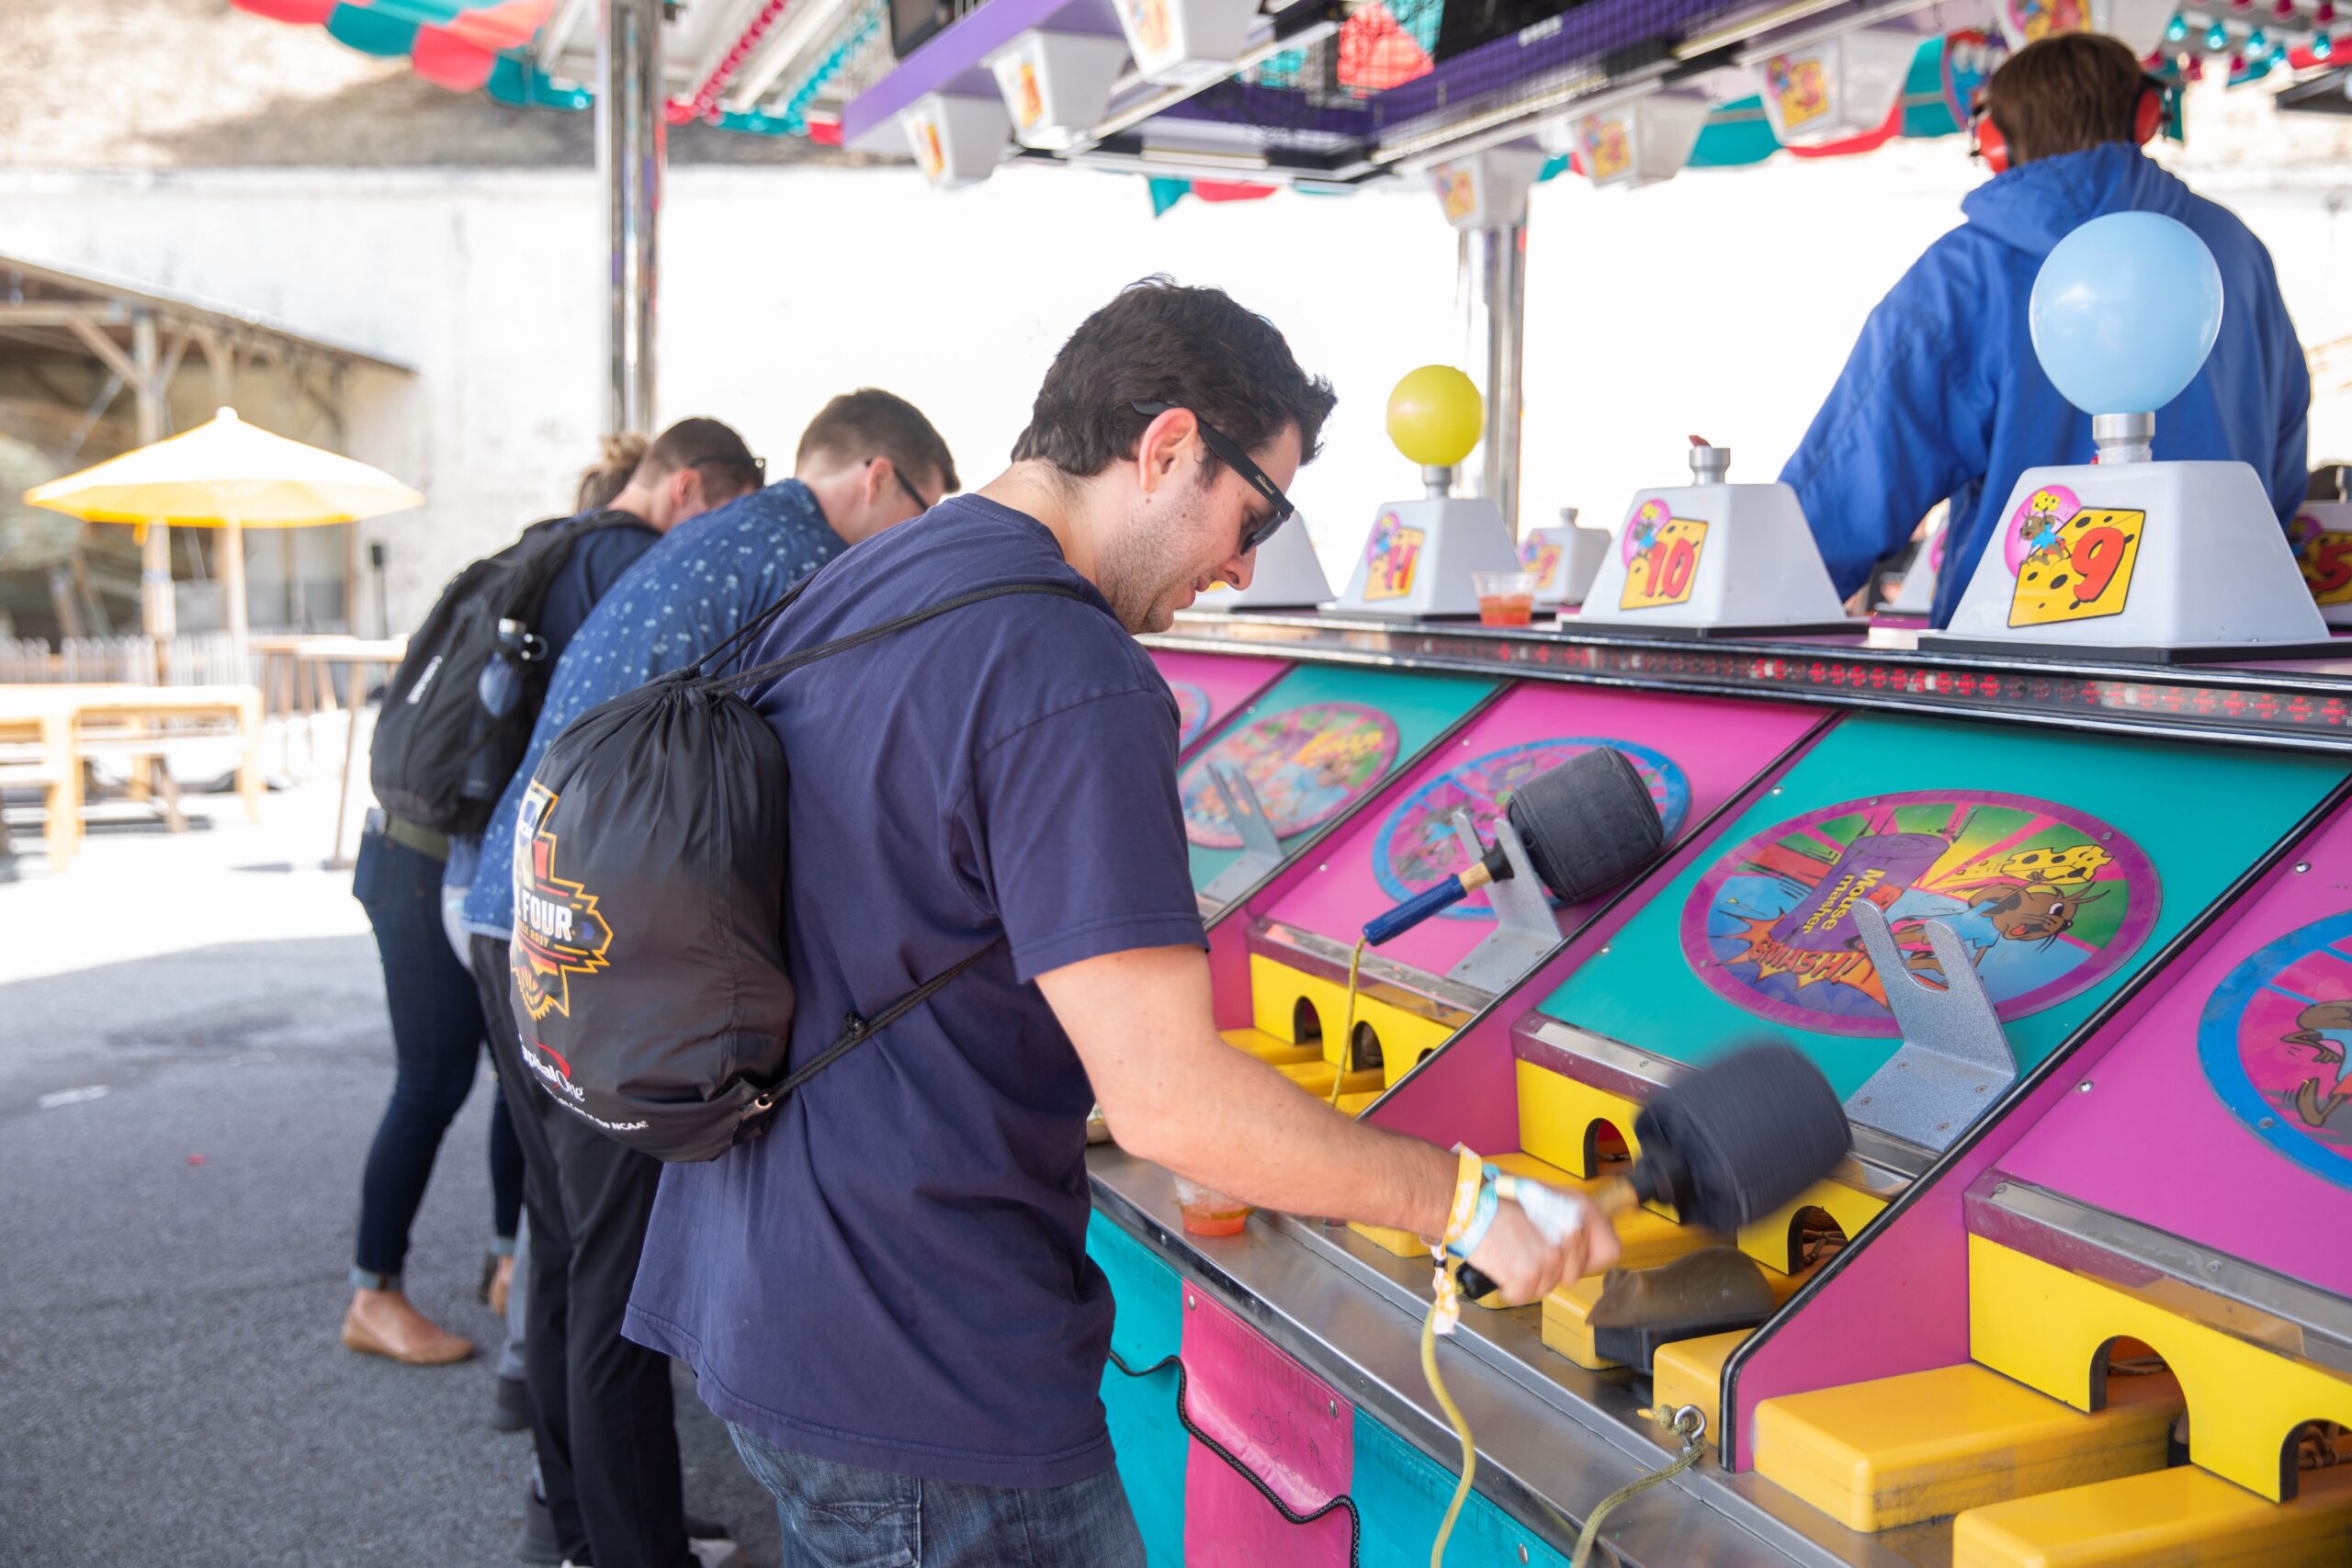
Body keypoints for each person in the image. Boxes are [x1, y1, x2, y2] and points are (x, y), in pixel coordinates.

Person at [623, 279, 1616, 1568]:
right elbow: (1171, 1107)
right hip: (925, 1362)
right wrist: (1472, 1203)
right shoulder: (1067, 661)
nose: (1247, 562)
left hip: (760, 1285)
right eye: (1251, 509)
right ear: (1164, 447)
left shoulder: (877, 579)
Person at [467, 390, 957, 1568]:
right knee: (620, 1277)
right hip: (600, 948)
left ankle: (578, 1517)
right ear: (883, 477)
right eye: (929, 511)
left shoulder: (715, 542)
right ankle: (634, 1551)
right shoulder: (801, 564)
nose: (921, 542)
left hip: (514, 906)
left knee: (565, 1243)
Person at [344, 417, 755, 1370]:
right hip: (437, 857)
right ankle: (374, 1291)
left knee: (518, 1074)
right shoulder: (627, 561)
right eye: (720, 519)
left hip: (438, 849)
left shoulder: (552, 540)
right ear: (687, 489)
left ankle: (505, 1263)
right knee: (433, 1081)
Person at [1781, 31, 2310, 628]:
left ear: (1995, 142)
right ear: (2144, 116)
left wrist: (1760, 592)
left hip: (2023, 677)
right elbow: (2282, 472)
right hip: (2232, 660)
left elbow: (1839, 500)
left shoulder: (1962, 276)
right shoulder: (2237, 254)